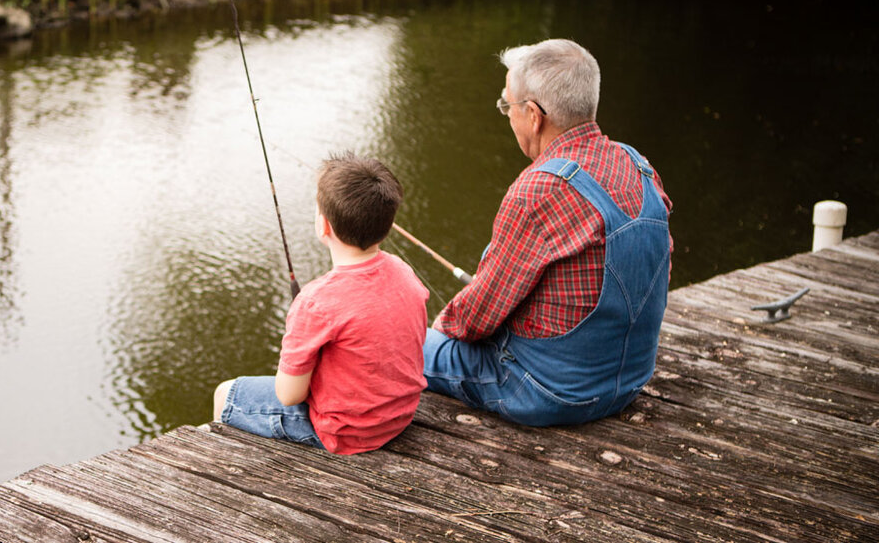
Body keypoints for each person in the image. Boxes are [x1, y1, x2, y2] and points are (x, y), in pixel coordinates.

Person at [423, 38, 673, 426]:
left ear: (534, 115)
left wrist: (441, 326)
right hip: (628, 383)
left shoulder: (537, 190)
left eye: (507, 105)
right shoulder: (638, 165)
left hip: (548, 392)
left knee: (404, 347)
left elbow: (475, 320)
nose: (506, 115)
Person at [212, 153, 429, 455]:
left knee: (226, 394)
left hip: (348, 434)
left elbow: (288, 395)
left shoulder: (315, 302)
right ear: (387, 225)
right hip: (399, 417)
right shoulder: (404, 272)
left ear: (323, 226)